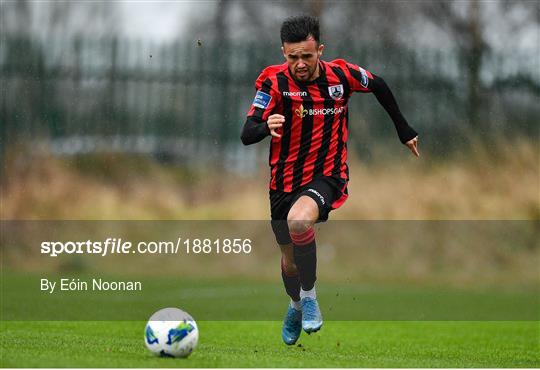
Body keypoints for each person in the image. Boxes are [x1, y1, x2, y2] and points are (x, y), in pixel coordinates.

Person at [241, 15, 419, 345]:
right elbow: (246, 133)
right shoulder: (272, 82)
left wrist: (403, 129)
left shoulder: (341, 75)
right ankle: (295, 304)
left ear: (320, 50)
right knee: (288, 260)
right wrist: (266, 126)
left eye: (307, 56)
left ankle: (309, 298)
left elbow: (378, 84)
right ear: (283, 52)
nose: (300, 64)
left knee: (299, 223)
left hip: (328, 175)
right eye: (292, 57)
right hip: (282, 182)